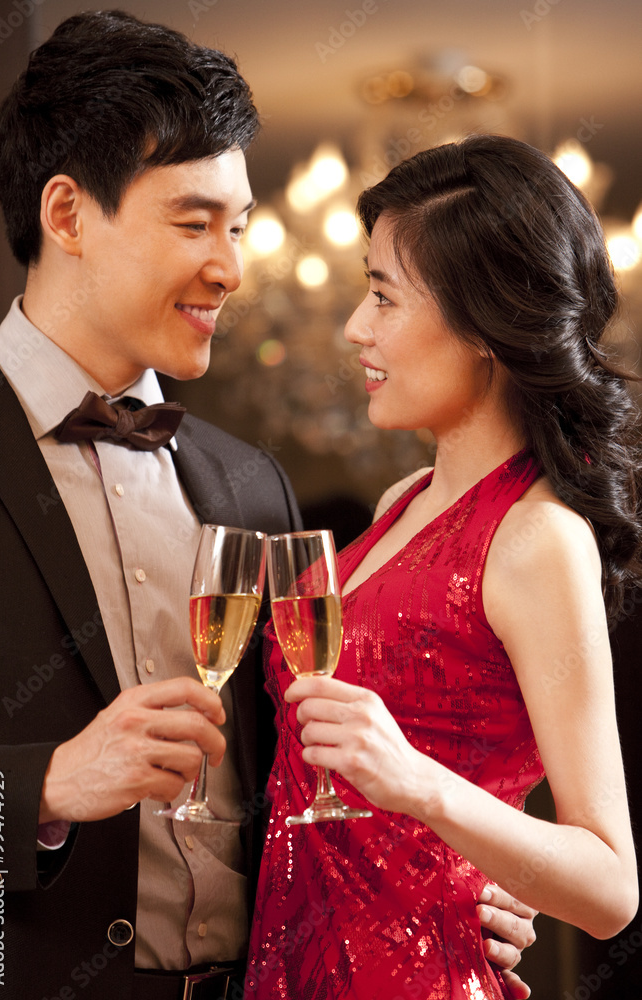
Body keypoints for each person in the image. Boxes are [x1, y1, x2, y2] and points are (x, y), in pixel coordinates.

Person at [0, 13, 533, 1000]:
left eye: (240, 227)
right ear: (66, 215)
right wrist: (47, 786)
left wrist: (445, 880)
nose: (231, 268)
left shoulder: (251, 484)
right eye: (195, 223)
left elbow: (305, 785)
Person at [244, 135, 641, 999]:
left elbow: (610, 887)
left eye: (383, 295)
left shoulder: (538, 539)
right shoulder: (400, 501)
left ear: (484, 324)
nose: (355, 327)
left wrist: (417, 784)